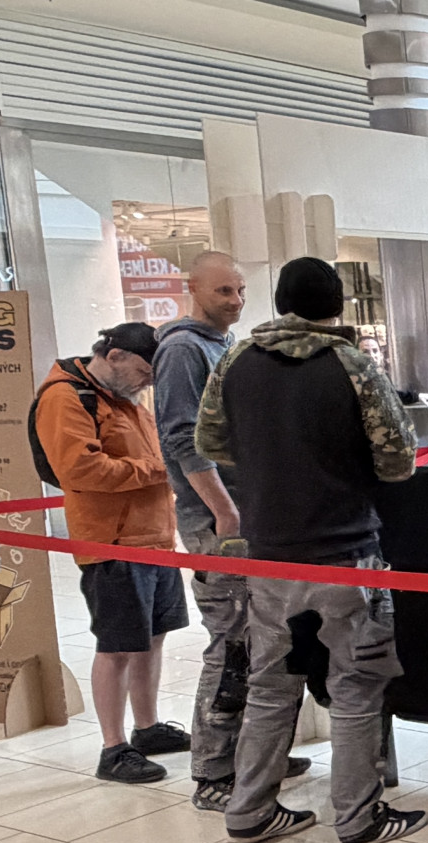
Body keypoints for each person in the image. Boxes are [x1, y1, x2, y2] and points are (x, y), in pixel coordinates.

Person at [196, 257, 428, 843]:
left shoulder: (236, 360)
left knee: (271, 686)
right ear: (337, 306)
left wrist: (270, 467)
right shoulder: (350, 363)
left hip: (269, 552)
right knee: (355, 684)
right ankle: (357, 817)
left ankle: (250, 809)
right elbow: (398, 458)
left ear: (278, 301)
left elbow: (209, 441)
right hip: (345, 549)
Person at [154, 251, 309, 812]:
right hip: (221, 525)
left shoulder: (226, 346)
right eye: (224, 291)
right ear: (193, 288)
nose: (236, 301)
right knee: (234, 646)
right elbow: (181, 438)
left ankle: (255, 756)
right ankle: (213, 772)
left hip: (253, 514)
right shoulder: (183, 350)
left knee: (267, 641)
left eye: (241, 290)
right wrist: (224, 512)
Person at [34, 323, 192, 785]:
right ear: (116, 355)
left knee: (153, 637)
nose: (148, 381)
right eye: (144, 370)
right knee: (118, 646)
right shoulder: (66, 397)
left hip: (156, 538)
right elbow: (81, 470)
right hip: (112, 543)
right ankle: (113, 747)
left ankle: (147, 728)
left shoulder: (125, 397)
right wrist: (159, 471)